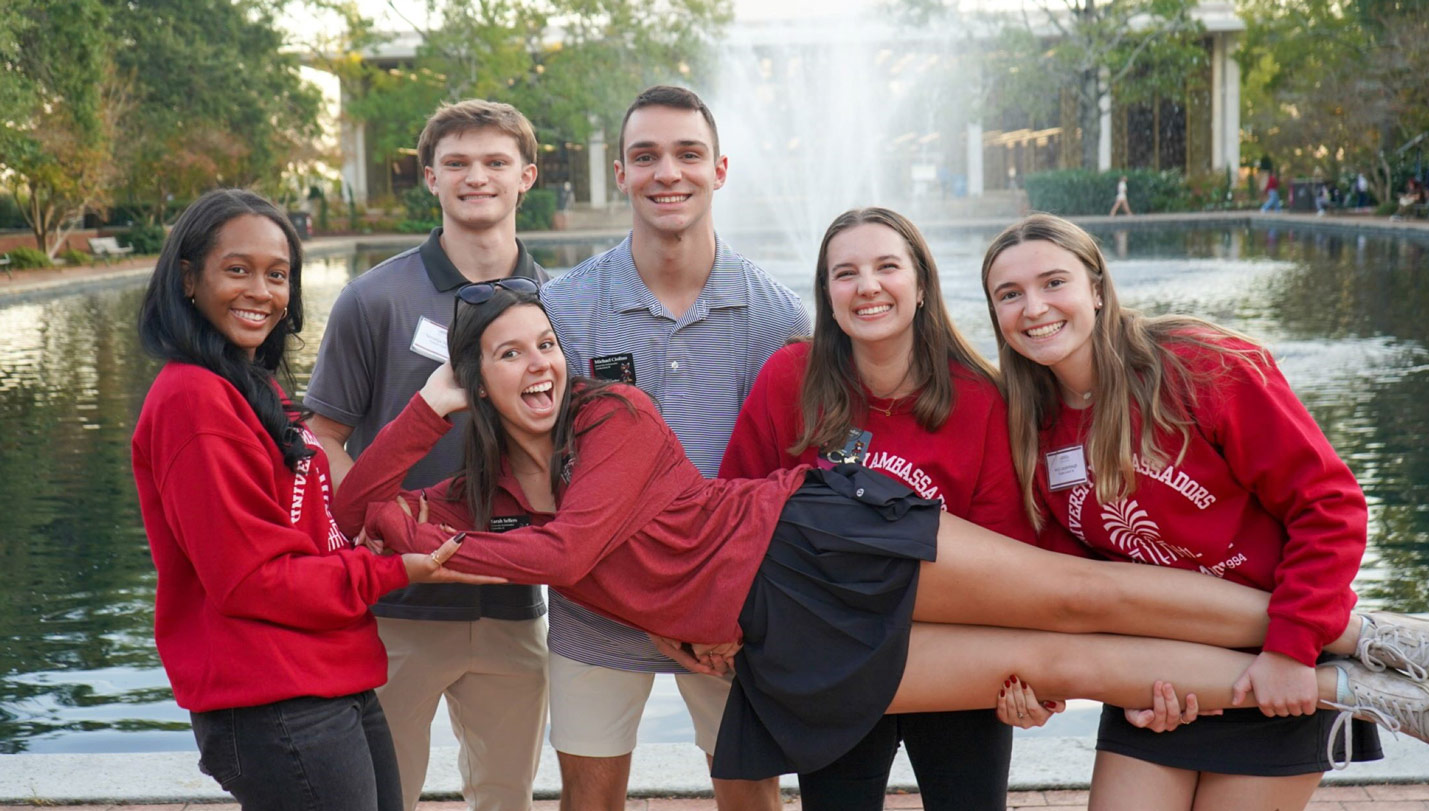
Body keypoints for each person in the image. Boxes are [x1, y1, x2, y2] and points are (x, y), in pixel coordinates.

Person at [332, 279, 1429, 787]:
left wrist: (424, 550)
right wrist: (422, 417)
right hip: (776, 636)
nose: (539, 366)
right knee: (1067, 661)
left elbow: (569, 558)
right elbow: (351, 510)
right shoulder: (480, 492)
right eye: (508, 356)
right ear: (478, 384)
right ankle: (1348, 693)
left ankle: (1354, 629)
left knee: (1076, 594)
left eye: (545, 345)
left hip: (816, 536)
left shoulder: (613, 412)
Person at [979, 213, 1429, 810]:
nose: (1034, 307)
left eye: (1053, 283)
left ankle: (1360, 663)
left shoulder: (1199, 365)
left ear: (1096, 287)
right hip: (1164, 674)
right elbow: (1070, 581)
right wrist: (1088, 681)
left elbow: (1329, 505)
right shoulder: (1025, 424)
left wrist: (1291, 649)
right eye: (1009, 294)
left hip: (1287, 661)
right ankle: (1362, 665)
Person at [131, 189, 495, 808]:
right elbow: (252, 581)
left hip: (328, 674)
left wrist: (431, 408)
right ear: (189, 278)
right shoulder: (194, 402)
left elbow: (333, 511)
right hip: (273, 696)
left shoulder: (247, 386)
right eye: (237, 269)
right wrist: (388, 572)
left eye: (277, 275)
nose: (261, 292)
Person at [718, 207, 1086, 810]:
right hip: (832, 654)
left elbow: (1013, 560)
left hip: (954, 650)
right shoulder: (790, 377)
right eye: (846, 273)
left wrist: (1031, 676)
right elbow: (735, 515)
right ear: (827, 294)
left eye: (887, 266)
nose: (867, 286)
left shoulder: (982, 397)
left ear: (921, 286)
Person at [539, 85, 807, 811]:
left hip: (726, 619)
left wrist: (725, 615)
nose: (668, 173)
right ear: (620, 173)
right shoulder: (564, 308)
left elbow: (789, 485)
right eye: (646, 156)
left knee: (750, 795)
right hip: (598, 607)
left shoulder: (776, 314)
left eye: (688, 154)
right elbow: (544, 480)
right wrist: (656, 610)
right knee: (587, 801)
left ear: (719, 170)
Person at [304, 100, 550, 811]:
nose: (478, 178)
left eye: (496, 162)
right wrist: (383, 528)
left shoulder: (560, 301)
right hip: (396, 606)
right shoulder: (374, 298)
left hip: (514, 607)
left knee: (507, 798)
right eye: (459, 164)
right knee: (385, 796)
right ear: (431, 178)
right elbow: (322, 436)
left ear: (526, 176)